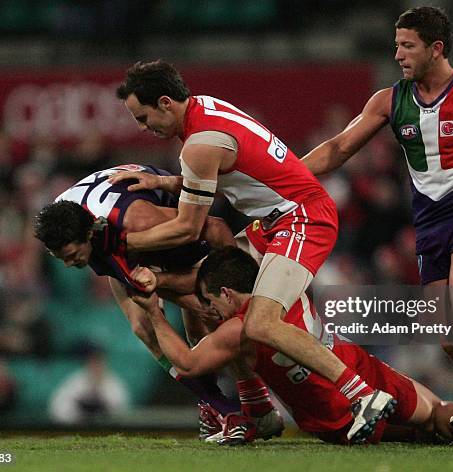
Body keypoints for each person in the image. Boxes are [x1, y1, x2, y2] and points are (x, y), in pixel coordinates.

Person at [108, 60, 395, 442]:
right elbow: (214, 172)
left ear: (164, 103)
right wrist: (162, 181)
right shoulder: (205, 111)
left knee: (261, 322)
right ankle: (256, 407)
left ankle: (362, 395)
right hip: (275, 223)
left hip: (302, 218)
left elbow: (188, 227)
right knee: (202, 288)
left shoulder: (199, 144)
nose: (143, 128)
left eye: (143, 117)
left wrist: (115, 244)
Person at [301, 6, 453, 445]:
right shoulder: (389, 101)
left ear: (436, 49)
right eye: (396, 45)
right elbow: (338, 149)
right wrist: (286, 175)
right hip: (429, 221)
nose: (398, 54)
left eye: (407, 45)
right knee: (449, 337)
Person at [130, 246, 453, 445]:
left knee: (421, 433)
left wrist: (154, 313)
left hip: (335, 417)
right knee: (439, 416)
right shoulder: (286, 284)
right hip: (362, 373)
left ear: (228, 293)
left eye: (210, 301)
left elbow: (188, 363)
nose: (208, 309)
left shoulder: (238, 329)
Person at [34, 164, 246, 437]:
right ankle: (219, 406)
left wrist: (239, 286)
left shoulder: (138, 221)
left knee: (209, 315)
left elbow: (216, 228)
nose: (67, 264)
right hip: (115, 235)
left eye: (72, 255)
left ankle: (251, 401)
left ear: (88, 236)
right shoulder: (63, 224)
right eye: (60, 257)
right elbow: (121, 265)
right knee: (143, 328)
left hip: (169, 230)